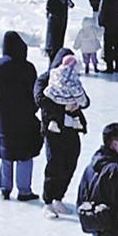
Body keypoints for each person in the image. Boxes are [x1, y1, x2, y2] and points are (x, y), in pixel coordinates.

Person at [0, 32, 42, 200]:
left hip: (4, 116)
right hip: (25, 115)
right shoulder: (28, 67)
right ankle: (24, 191)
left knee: (7, 151)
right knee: (25, 153)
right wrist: (34, 108)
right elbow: (35, 92)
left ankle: (5, 188)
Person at [37, 50, 89, 218]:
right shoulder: (46, 78)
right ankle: (48, 201)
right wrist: (63, 106)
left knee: (70, 163)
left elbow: (85, 100)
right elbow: (40, 99)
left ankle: (59, 197)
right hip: (54, 129)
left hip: (71, 128)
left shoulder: (72, 78)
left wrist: (77, 104)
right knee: (54, 165)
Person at [45, 0, 75, 64]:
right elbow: (70, 4)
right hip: (57, 20)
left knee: (54, 43)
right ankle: (54, 62)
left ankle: (53, 62)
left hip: (57, 20)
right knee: (55, 44)